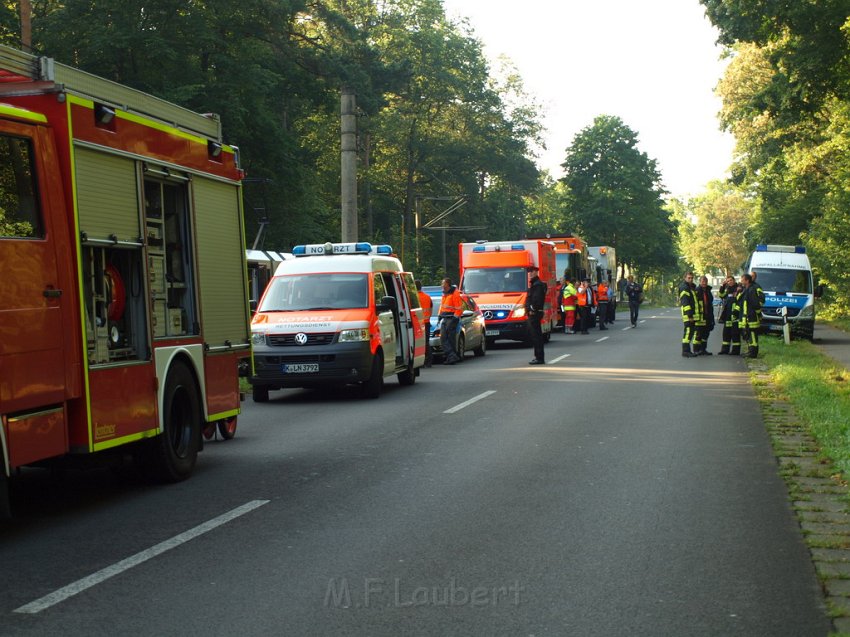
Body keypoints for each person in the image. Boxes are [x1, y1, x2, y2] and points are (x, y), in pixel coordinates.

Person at [438, 277, 463, 365]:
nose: (442, 285)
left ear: (447, 284)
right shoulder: (445, 293)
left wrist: (454, 319)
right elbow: (442, 306)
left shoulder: (454, 294)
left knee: (449, 339)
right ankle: (452, 356)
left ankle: (451, 357)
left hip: (451, 318)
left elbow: (459, 309)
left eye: (443, 283)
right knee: (444, 338)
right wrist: (439, 315)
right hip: (445, 318)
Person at [525, 265, 547, 364]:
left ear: (535, 272)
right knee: (535, 336)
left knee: (536, 336)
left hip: (535, 313)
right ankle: (538, 356)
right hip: (533, 313)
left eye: (531, 272)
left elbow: (536, 300)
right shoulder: (534, 284)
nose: (529, 274)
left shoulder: (537, 285)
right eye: (529, 272)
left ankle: (539, 357)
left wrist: (531, 309)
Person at [739, 272, 762, 358]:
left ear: (747, 280)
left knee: (752, 336)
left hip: (751, 317)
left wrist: (759, 314)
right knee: (749, 336)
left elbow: (756, 304)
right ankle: (750, 351)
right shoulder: (746, 289)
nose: (741, 281)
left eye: (742, 279)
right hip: (748, 317)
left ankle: (753, 353)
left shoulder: (752, 290)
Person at [717, 275, 740, 355]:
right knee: (726, 333)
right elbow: (721, 295)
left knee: (735, 333)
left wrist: (736, 312)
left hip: (735, 314)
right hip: (727, 314)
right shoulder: (726, 289)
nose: (729, 282)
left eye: (730, 280)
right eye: (728, 281)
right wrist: (722, 286)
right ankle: (724, 350)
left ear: (734, 280)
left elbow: (740, 301)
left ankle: (735, 351)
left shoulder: (738, 288)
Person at [693, 275, 715, 355]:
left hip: (708, 316)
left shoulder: (708, 291)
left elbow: (710, 303)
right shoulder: (696, 291)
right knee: (698, 334)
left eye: (705, 281)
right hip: (699, 317)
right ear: (700, 282)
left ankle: (703, 350)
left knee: (706, 334)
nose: (704, 283)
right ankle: (696, 350)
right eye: (702, 281)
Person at [679, 272, 697, 357]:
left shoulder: (691, 287)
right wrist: (690, 316)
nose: (690, 279)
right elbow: (685, 303)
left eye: (692, 278)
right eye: (689, 278)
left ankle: (687, 351)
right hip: (688, 315)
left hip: (691, 315)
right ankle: (685, 351)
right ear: (685, 278)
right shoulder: (684, 288)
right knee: (688, 333)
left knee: (690, 333)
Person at [415, 279, 433, 367]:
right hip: (426, 322)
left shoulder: (414, 297)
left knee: (418, 343)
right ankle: (429, 361)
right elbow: (431, 309)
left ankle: (420, 361)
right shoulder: (427, 297)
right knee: (426, 342)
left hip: (417, 323)